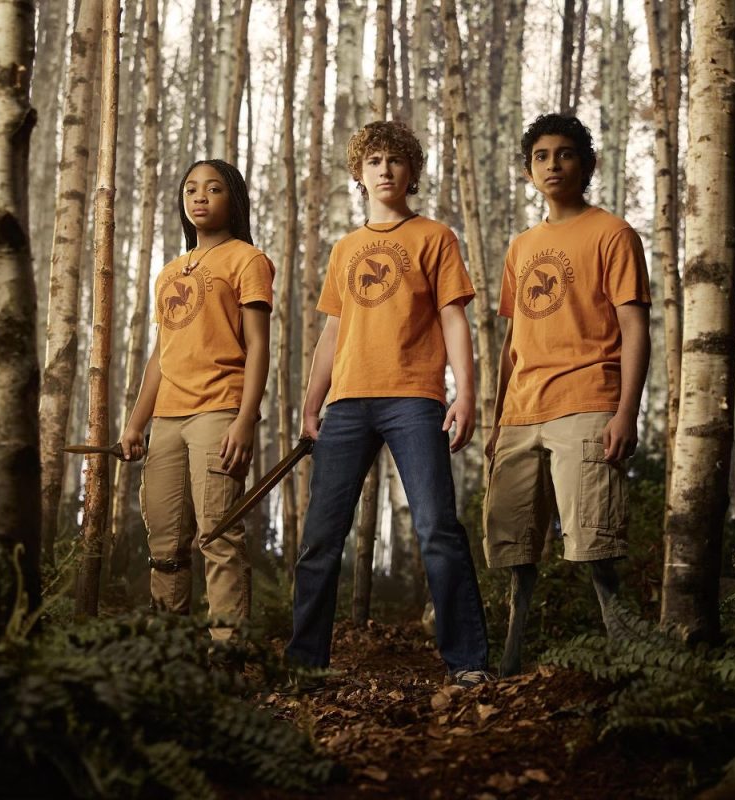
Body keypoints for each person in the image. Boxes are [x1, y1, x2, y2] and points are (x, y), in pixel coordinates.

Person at [286, 120, 490, 686]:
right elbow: (332, 331)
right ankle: (305, 664)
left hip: (414, 398)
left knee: (436, 528)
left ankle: (468, 661)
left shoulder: (434, 237)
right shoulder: (345, 248)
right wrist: (311, 406)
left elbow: (454, 318)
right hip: (346, 404)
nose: (385, 170)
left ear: (411, 173)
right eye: (373, 161)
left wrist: (465, 393)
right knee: (322, 538)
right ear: (359, 174)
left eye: (396, 161)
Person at [483, 114, 651, 674]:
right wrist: (498, 419)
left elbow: (634, 329)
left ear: (586, 164)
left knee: (596, 543)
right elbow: (514, 340)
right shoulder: (522, 246)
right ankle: (510, 658)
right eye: (541, 156)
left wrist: (626, 413)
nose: (553, 165)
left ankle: (630, 661)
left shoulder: (613, 233)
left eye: (565, 154)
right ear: (529, 171)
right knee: (513, 545)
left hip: (588, 400)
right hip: (520, 412)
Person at [118, 159, 274, 640]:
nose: (200, 197)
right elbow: (161, 357)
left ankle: (226, 655)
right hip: (166, 419)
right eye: (190, 189)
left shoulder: (247, 260)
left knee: (219, 536)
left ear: (234, 200)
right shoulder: (168, 274)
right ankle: (172, 655)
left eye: (213, 188)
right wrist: (134, 423)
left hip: (219, 413)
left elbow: (259, 345)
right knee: (165, 544)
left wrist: (245, 420)